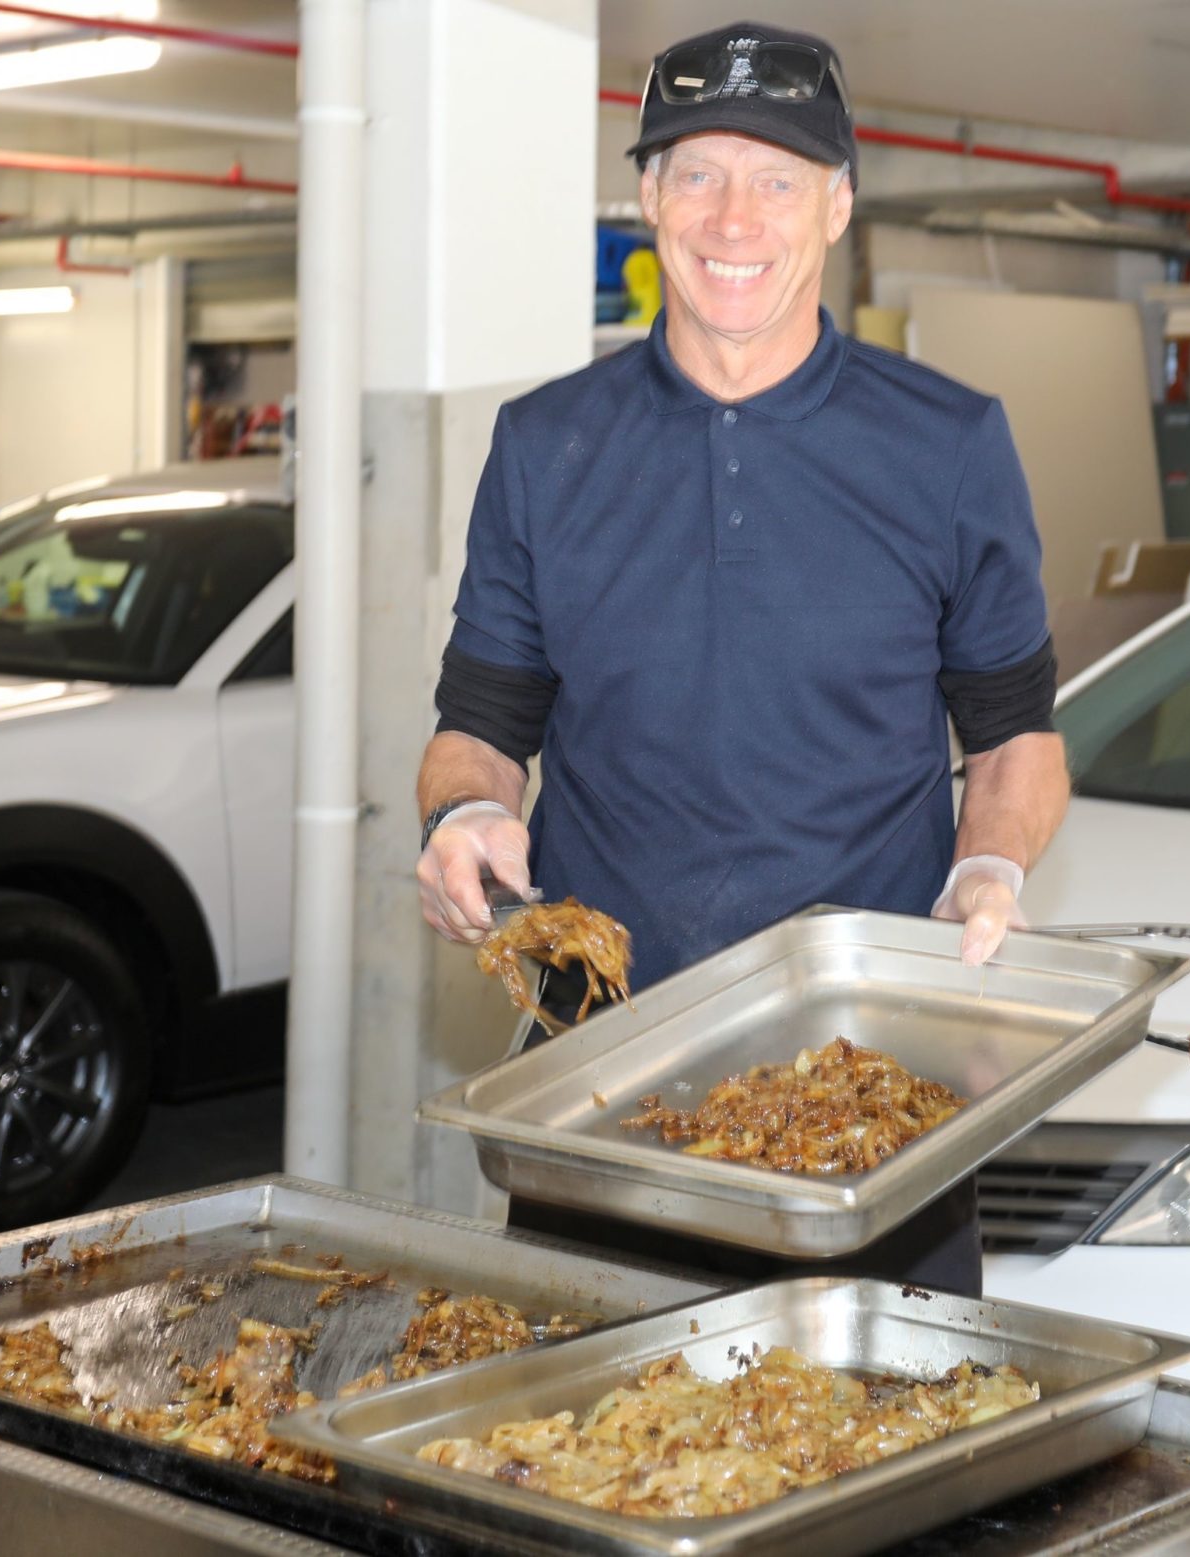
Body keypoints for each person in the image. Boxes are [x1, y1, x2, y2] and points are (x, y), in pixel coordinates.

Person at [414, 21, 1069, 1294]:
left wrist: (987, 866)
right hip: (607, 1085)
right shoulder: (545, 447)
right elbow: (481, 723)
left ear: (838, 205)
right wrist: (462, 815)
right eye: (699, 174)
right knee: (588, 1410)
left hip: (873, 1095)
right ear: (649, 197)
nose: (734, 218)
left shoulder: (949, 445)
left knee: (890, 1417)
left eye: (777, 179)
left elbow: (1014, 738)